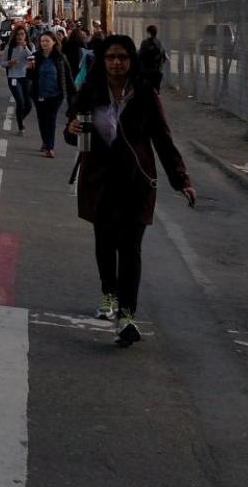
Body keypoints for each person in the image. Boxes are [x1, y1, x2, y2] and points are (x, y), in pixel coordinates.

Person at [65, 35, 197, 347]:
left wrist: (182, 180)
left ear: (131, 60)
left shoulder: (145, 94)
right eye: (111, 56)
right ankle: (108, 292)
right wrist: (70, 130)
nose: (116, 62)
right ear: (103, 60)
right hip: (99, 181)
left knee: (131, 248)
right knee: (105, 241)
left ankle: (127, 315)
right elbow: (75, 135)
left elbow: (163, 140)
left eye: (122, 57)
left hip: (136, 183)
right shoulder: (90, 91)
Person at [29, 30, 76, 158]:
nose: (44, 43)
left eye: (47, 41)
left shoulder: (60, 58)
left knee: (51, 120)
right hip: (39, 94)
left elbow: (68, 76)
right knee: (42, 120)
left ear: (54, 42)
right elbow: (31, 77)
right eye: (42, 41)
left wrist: (73, 94)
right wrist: (30, 68)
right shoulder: (35, 57)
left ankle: (50, 147)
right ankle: (45, 141)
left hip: (56, 95)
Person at [0, 25, 35, 135]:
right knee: (20, 102)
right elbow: (2, 63)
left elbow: (33, 58)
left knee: (28, 105)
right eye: (18, 34)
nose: (20, 36)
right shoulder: (10, 47)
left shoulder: (30, 46)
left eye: (22, 34)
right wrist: (9, 63)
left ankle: (20, 118)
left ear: (25, 36)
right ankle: (21, 127)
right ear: (14, 36)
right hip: (13, 77)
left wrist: (25, 47)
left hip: (26, 77)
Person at [138, 24, 168, 92]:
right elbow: (164, 58)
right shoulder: (160, 43)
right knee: (156, 91)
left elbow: (140, 56)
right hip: (157, 73)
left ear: (148, 33)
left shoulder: (145, 43)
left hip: (146, 73)